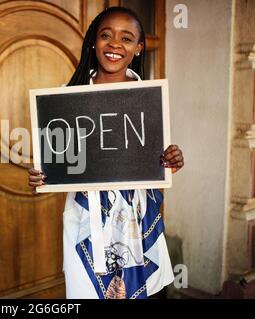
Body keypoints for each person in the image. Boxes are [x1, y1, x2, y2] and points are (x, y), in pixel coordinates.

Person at [28, 7, 184, 299]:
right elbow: (54, 160)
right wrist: (40, 174)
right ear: (93, 42)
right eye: (106, 36)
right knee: (86, 289)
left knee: (144, 291)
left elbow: (154, 157)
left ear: (138, 48)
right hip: (86, 222)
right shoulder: (67, 96)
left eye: (126, 38)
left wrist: (171, 159)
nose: (114, 44)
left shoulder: (148, 96)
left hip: (135, 219)